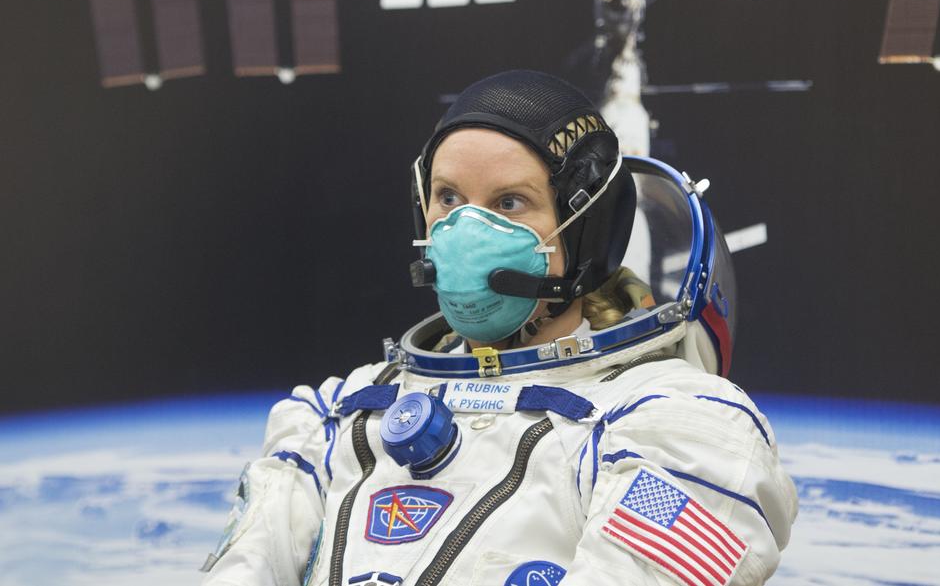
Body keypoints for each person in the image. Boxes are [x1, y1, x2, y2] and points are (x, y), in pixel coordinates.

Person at [202, 69, 796, 586]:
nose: (465, 230)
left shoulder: (683, 426)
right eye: (447, 197)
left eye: (509, 202)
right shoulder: (337, 417)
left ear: (584, 232)